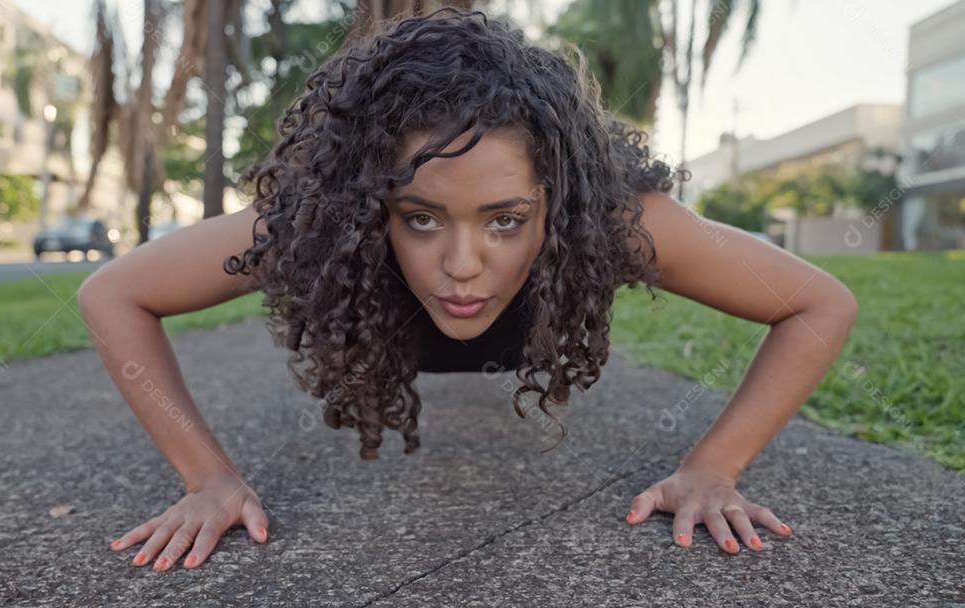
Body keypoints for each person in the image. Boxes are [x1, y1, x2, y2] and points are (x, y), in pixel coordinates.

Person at [77, 7, 858, 573]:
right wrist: (207, 477)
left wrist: (714, 467)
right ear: (367, 202)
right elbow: (115, 295)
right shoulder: (318, 218)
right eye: (418, 218)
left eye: (505, 220)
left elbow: (818, 304)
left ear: (562, 203)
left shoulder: (616, 221)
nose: (460, 264)